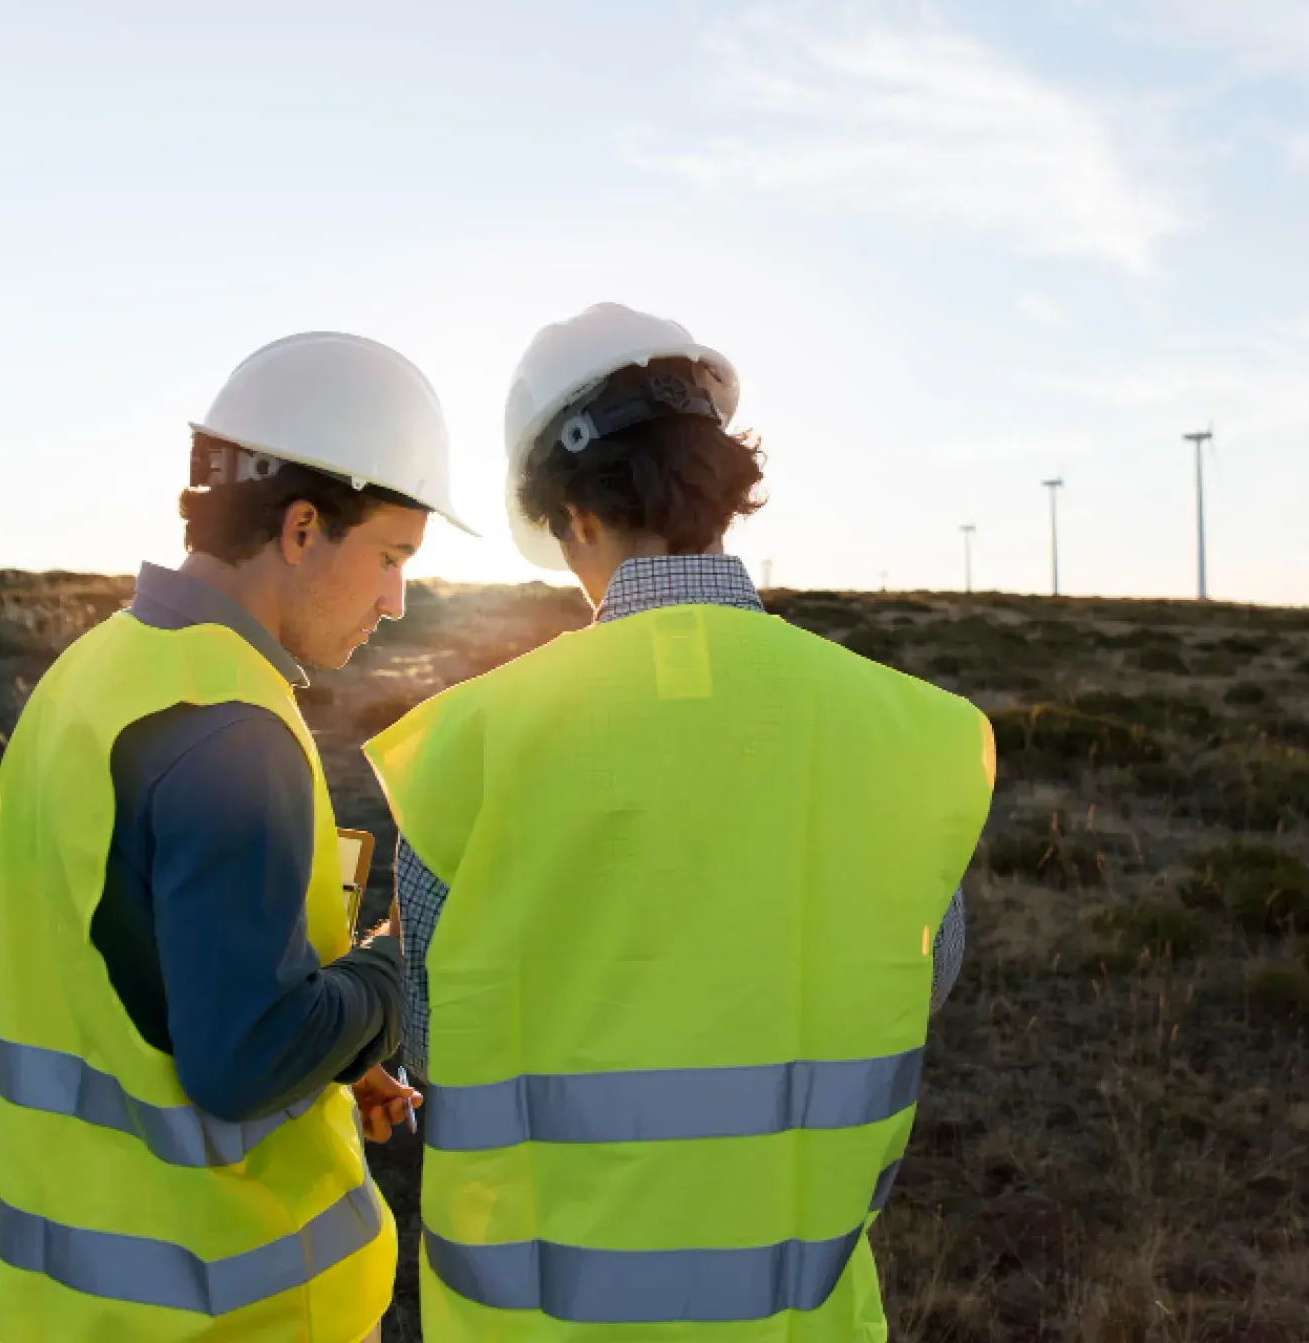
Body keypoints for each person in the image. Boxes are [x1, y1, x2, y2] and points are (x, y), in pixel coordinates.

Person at [363, 303, 995, 1339]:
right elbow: (922, 978)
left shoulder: (468, 744)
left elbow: (427, 1030)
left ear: (569, 513)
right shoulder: (905, 732)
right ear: (720, 490)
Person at [0, 331, 470, 1340]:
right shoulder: (230, 726)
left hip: (77, 1299)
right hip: (238, 1307)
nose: (395, 600)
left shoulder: (93, 672)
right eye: (392, 557)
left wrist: (328, 1046)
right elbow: (241, 1057)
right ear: (302, 525)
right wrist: (385, 976)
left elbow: (131, 982)